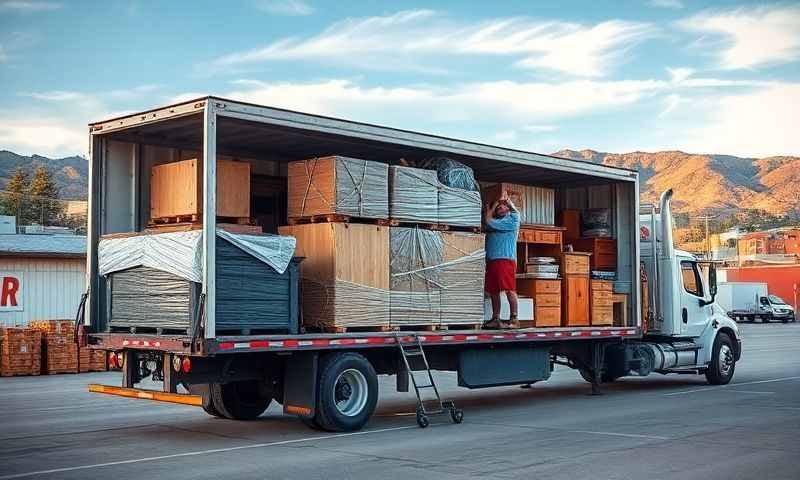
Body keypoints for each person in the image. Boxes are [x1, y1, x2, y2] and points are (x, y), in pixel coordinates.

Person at [483, 191, 521, 329]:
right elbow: (487, 222)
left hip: (505, 260)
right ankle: (495, 318)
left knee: (509, 289)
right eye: (497, 207)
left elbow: (487, 220)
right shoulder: (495, 223)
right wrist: (493, 207)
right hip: (493, 261)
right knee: (494, 291)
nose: (499, 207)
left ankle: (514, 319)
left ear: (508, 208)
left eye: (501, 206)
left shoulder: (512, 220)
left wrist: (504, 202)